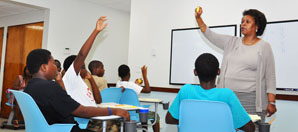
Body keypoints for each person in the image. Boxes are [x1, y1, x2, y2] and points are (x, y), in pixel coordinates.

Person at [195, 7, 277, 121]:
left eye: (247, 22)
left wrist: (271, 102)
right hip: (227, 97)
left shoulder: (264, 47)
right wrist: (198, 18)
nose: (243, 24)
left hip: (251, 100)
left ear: (257, 26)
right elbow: (210, 34)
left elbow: (270, 76)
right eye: (242, 22)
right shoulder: (231, 42)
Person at [24, 49, 130, 132]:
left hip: (50, 128)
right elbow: (81, 111)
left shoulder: (29, 87)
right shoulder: (50, 87)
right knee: (115, 125)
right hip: (67, 129)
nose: (56, 68)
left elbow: (63, 104)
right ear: (44, 67)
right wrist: (113, 110)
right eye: (53, 64)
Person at [166, 53, 255, 132]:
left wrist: (197, 122)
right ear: (218, 71)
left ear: (195, 72)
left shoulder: (186, 91)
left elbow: (169, 119)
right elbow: (250, 128)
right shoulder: (227, 95)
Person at [62, 16, 108, 106]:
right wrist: (96, 31)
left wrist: (91, 79)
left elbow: (98, 101)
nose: (85, 69)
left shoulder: (80, 81)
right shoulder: (70, 78)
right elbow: (82, 55)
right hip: (83, 119)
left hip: (92, 112)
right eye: (82, 67)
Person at [116, 64, 160, 132]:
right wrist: (144, 75)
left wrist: (136, 85)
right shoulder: (131, 85)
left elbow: (128, 88)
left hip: (123, 113)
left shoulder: (118, 84)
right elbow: (148, 90)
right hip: (135, 114)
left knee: (143, 112)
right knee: (154, 115)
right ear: (129, 73)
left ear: (119, 74)